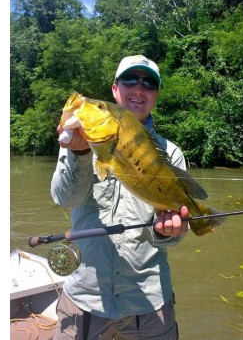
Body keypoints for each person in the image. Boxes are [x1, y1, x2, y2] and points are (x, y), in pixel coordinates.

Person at [50, 54, 189, 340]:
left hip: (149, 305)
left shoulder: (171, 154)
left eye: (148, 83)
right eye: (130, 80)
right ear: (115, 89)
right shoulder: (81, 136)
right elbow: (66, 199)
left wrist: (169, 232)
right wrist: (79, 152)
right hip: (85, 299)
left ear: (156, 95)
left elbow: (172, 236)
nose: (139, 89)